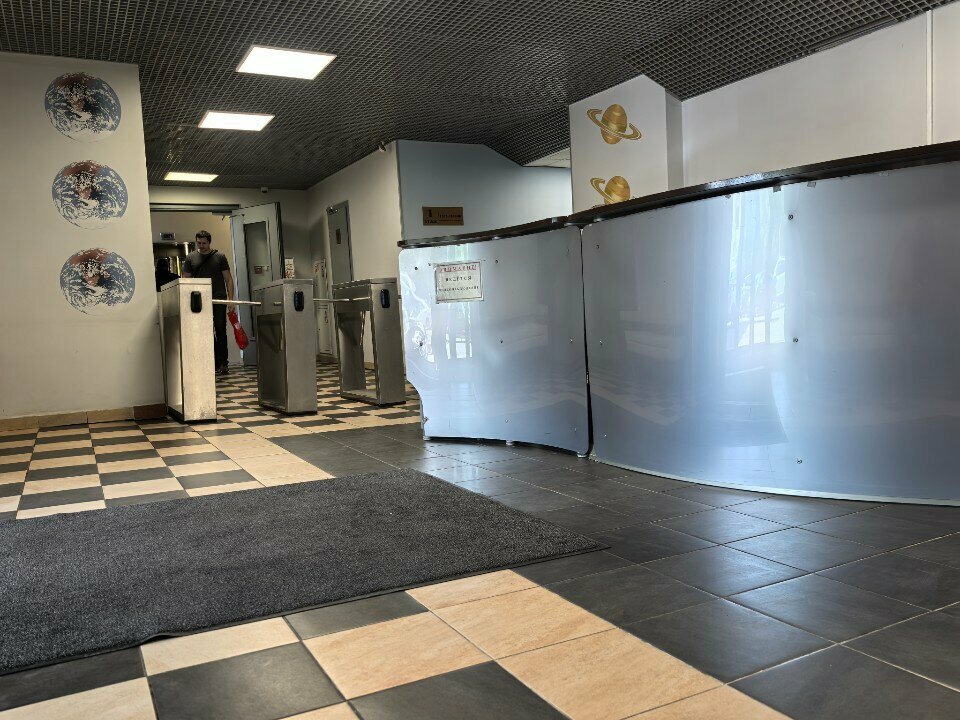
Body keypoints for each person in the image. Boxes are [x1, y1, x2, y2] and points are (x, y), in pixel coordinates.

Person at [182, 230, 235, 375]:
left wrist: (230, 300)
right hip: (200, 300)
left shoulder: (220, 257)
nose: (201, 245)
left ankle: (223, 363)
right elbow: (186, 280)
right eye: (199, 243)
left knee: (220, 330)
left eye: (204, 243)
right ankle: (212, 362)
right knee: (205, 331)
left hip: (218, 298)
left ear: (209, 242)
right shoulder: (191, 258)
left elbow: (228, 279)